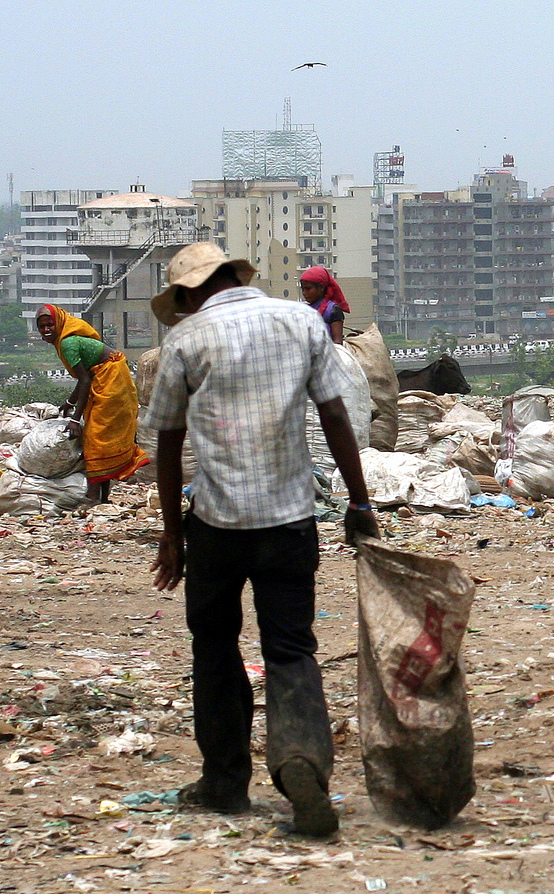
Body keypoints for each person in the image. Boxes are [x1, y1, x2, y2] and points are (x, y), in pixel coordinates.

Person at [145, 243, 379, 837]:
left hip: (217, 526)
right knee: (290, 648)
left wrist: (172, 535)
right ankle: (300, 763)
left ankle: (224, 783)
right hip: (289, 520)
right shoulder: (301, 320)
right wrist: (358, 501)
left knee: (215, 648)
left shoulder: (186, 341)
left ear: (193, 293)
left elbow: (168, 445)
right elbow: (334, 415)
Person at [35, 305, 148, 504]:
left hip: (113, 379)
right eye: (42, 326)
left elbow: (85, 380)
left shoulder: (67, 343)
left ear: (59, 323)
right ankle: (103, 497)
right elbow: (85, 376)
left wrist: (74, 420)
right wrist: (70, 402)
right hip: (104, 376)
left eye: (50, 324)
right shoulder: (64, 341)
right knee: (99, 433)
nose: (46, 329)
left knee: (96, 436)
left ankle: (92, 496)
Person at [300, 266, 350, 344]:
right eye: (303, 289)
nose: (304, 293)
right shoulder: (303, 309)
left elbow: (337, 342)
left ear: (321, 288)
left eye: (308, 289)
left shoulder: (332, 310)